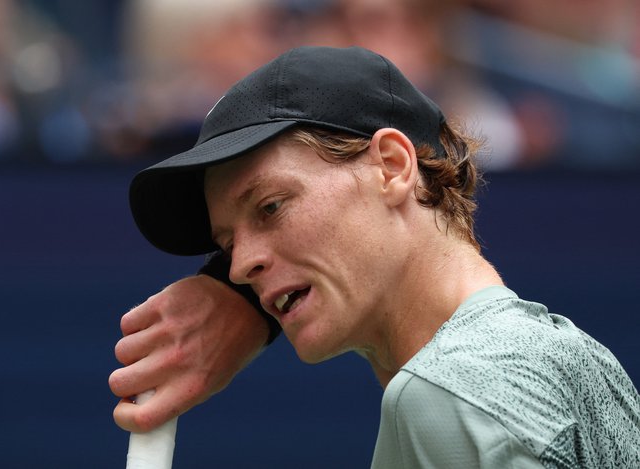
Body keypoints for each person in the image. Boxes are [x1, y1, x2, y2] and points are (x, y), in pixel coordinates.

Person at [110, 46, 640, 467]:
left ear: (390, 166)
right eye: (227, 245)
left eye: (271, 207)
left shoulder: (443, 397)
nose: (239, 266)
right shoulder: (577, 359)